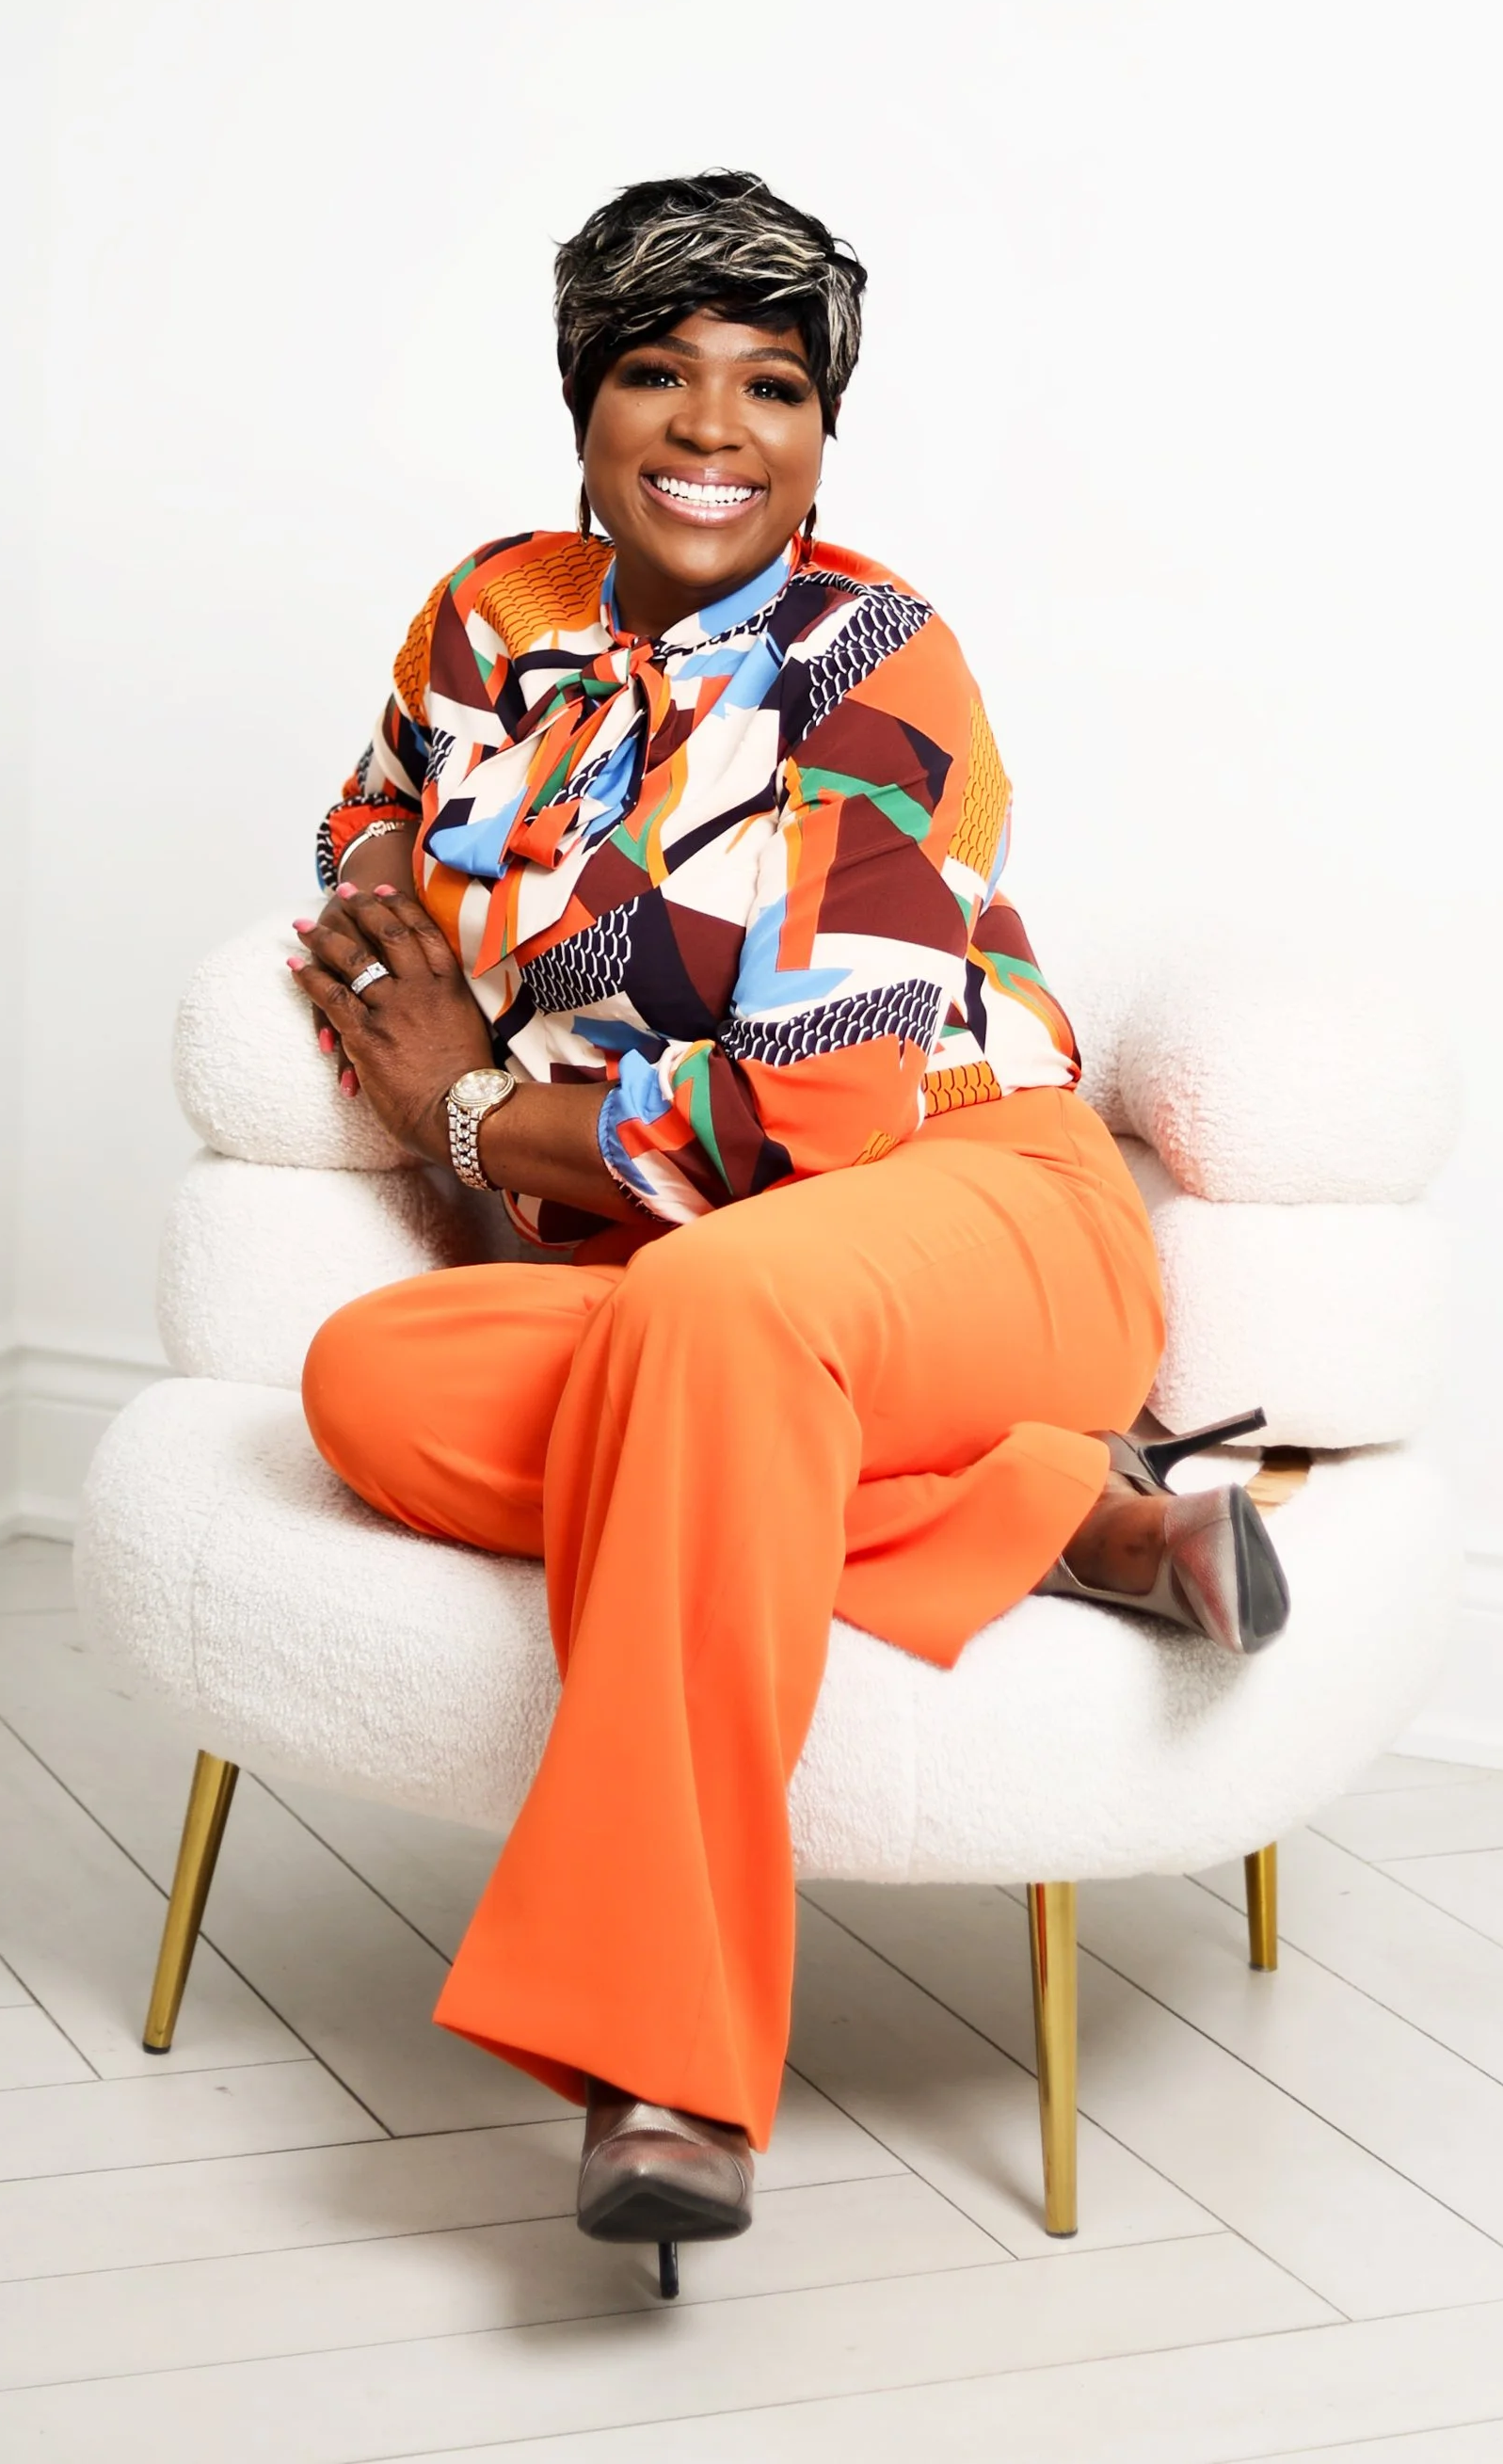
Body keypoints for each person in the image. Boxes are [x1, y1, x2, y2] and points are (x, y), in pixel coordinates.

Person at [293, 168, 1287, 2264]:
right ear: (582, 406)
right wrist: (411, 964)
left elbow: (815, 1114)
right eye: (656, 373)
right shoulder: (487, 621)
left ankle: (662, 2055)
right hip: (702, 1304)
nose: (710, 429)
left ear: (825, 431)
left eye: (770, 385)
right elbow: (370, 839)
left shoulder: (872, 654)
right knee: (371, 1378)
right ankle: (1054, 1513)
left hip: (973, 1208)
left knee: (720, 1311)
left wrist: (476, 1113)